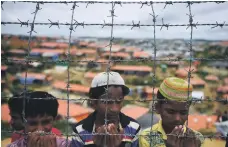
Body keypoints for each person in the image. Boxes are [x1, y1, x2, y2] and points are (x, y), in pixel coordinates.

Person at [71, 72, 141, 147]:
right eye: (108, 101)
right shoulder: (80, 131)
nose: (115, 109)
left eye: (119, 100)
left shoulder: (133, 128)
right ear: (93, 102)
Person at [139, 77, 204, 147]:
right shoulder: (147, 137)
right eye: (170, 111)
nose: (177, 119)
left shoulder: (196, 138)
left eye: (183, 113)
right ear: (157, 107)